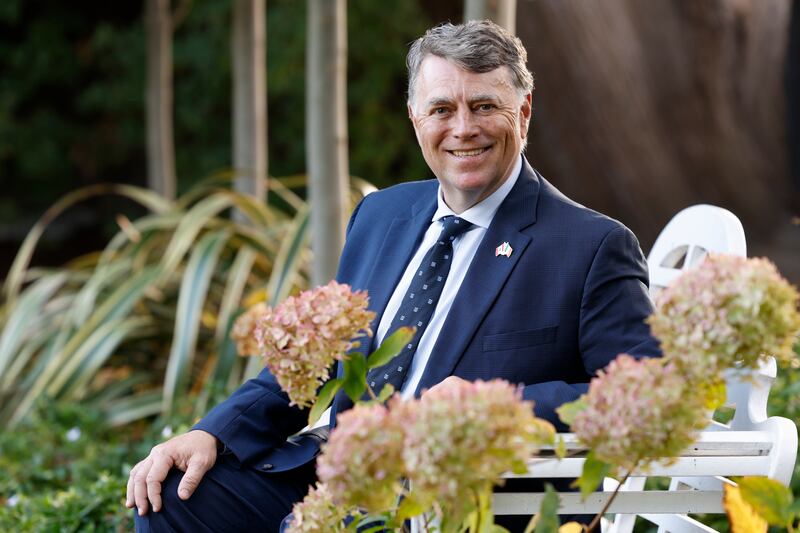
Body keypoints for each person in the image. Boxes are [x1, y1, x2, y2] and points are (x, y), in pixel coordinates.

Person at [127, 20, 659, 531]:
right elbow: (317, 361)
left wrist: (498, 405)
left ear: (523, 113)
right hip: (335, 470)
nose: (463, 128)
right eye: (442, 109)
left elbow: (644, 394)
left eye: (484, 106)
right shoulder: (380, 214)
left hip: (456, 497)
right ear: (415, 119)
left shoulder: (592, 246)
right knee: (174, 498)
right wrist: (213, 433)